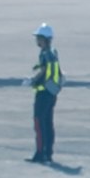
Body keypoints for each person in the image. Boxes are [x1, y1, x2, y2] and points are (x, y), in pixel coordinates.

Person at [30, 24, 63, 165]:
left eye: (38, 37)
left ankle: (40, 153)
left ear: (44, 39)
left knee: (39, 122)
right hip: (52, 93)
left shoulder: (44, 54)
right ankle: (48, 153)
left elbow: (44, 71)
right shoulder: (54, 52)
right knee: (48, 124)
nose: (37, 40)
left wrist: (33, 80)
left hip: (43, 93)